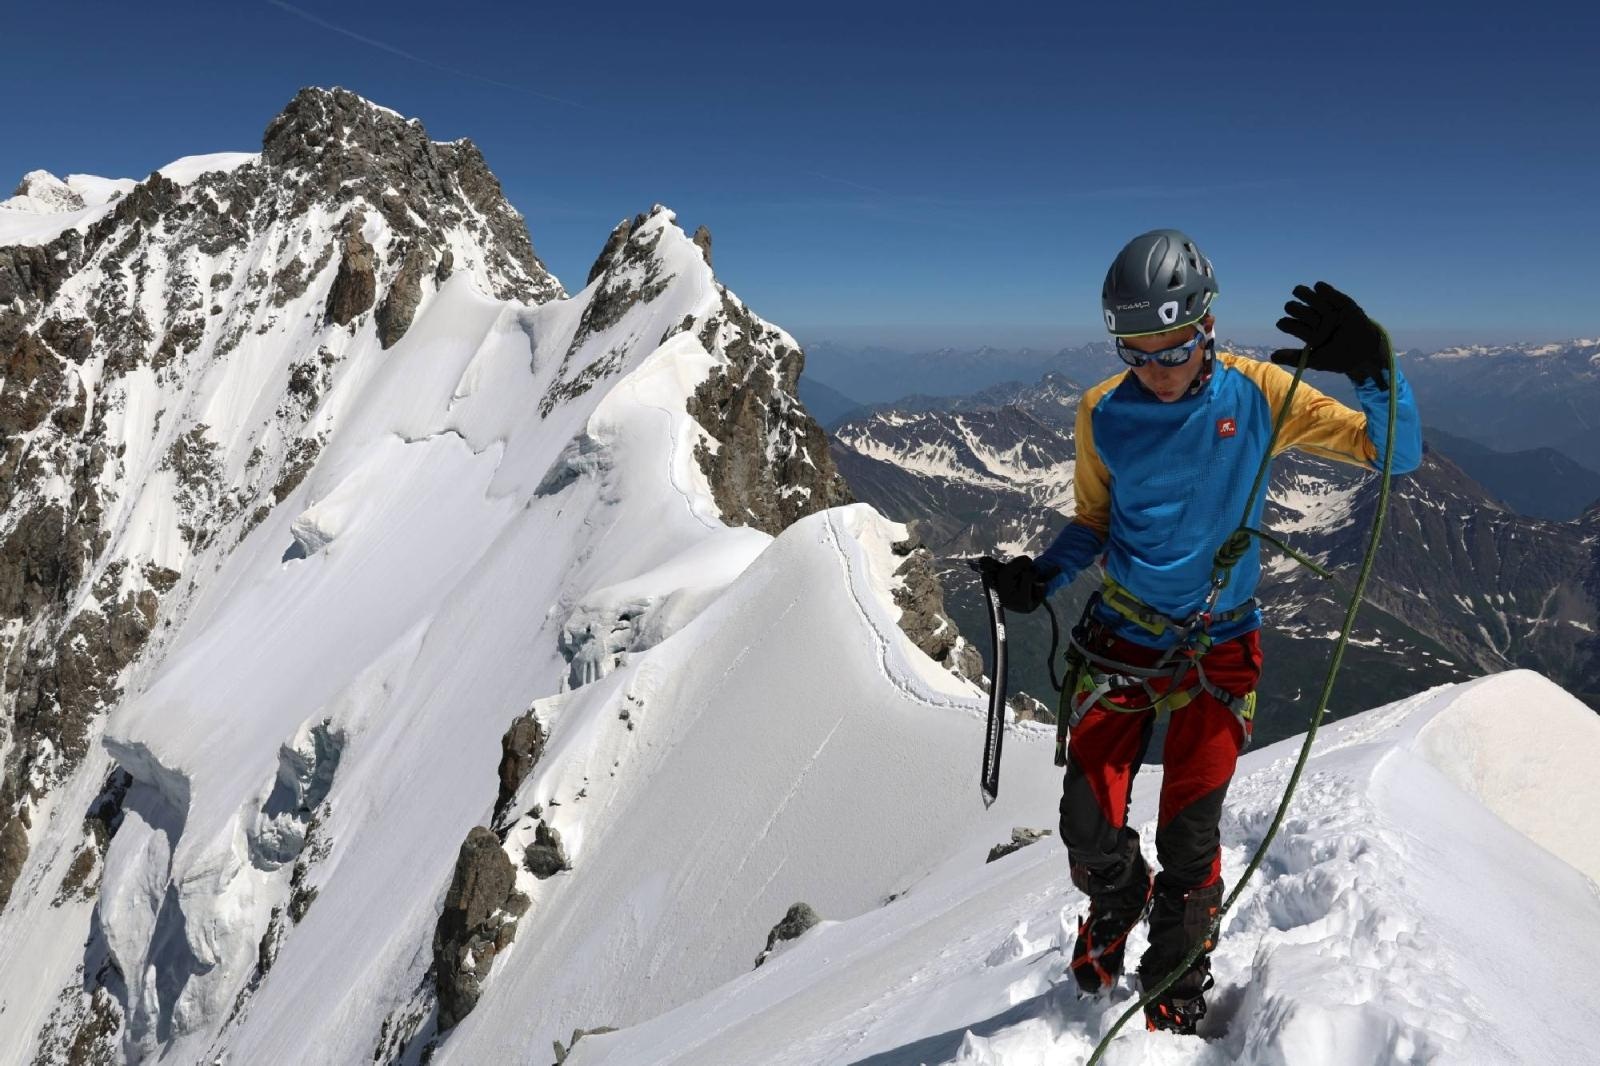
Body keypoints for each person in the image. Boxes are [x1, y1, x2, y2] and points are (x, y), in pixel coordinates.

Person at [990, 229, 1421, 1035]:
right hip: (1123, 634)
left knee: (1190, 836)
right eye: (1136, 352)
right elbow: (1095, 520)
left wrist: (1374, 368)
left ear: (1208, 326)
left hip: (1219, 644)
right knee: (1086, 823)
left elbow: (1391, 454)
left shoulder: (1259, 394)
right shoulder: (1102, 411)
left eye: (1175, 349)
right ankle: (1118, 894)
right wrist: (1041, 574)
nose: (1156, 370)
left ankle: (1177, 976)